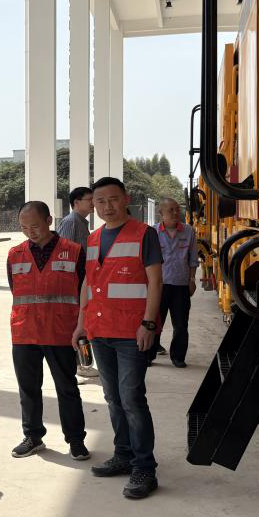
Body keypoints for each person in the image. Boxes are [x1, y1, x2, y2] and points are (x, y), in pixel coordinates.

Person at [71, 177, 163, 500]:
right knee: (112, 398)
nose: (107, 206)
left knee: (132, 398)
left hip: (131, 332)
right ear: (93, 205)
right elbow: (88, 283)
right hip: (100, 330)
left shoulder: (144, 234)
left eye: (112, 199)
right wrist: (81, 323)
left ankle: (145, 467)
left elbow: (155, 282)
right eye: (100, 201)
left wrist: (148, 324)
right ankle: (123, 454)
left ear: (126, 199)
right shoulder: (94, 238)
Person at [6, 201, 89, 461]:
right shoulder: (15, 254)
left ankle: (76, 440)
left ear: (49, 221)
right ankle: (32, 436)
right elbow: (16, 290)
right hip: (25, 332)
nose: (29, 232)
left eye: (35, 226)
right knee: (28, 389)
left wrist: (81, 327)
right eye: (24, 227)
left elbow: (84, 292)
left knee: (67, 388)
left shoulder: (74, 252)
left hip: (61, 332)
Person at [57, 186, 99, 379]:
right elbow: (63, 255)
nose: (93, 203)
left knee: (82, 324)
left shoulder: (81, 222)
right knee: (75, 325)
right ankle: (76, 367)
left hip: (82, 282)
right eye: (89, 199)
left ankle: (82, 364)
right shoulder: (71, 222)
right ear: (76, 203)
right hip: (73, 284)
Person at [152, 197, 199, 368]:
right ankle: (149, 354)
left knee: (180, 324)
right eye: (171, 210)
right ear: (161, 213)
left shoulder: (188, 231)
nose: (175, 213)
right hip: (158, 285)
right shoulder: (152, 232)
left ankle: (178, 357)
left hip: (181, 285)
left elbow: (193, 258)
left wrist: (192, 279)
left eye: (177, 209)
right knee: (154, 322)